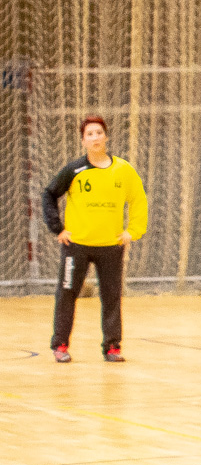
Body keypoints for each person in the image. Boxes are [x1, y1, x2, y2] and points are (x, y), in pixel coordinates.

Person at [44, 115, 147, 364]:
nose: (95, 137)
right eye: (89, 134)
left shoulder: (123, 170)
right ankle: (60, 345)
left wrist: (132, 231)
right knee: (67, 294)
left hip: (110, 246)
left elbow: (138, 200)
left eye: (98, 132)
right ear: (83, 140)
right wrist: (58, 229)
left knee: (111, 296)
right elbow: (49, 194)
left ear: (106, 136)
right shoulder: (74, 170)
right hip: (76, 245)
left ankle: (112, 347)